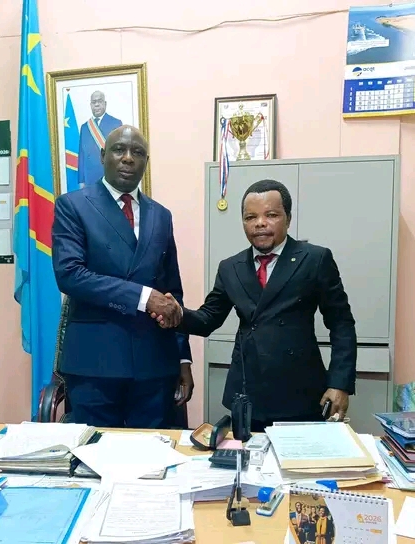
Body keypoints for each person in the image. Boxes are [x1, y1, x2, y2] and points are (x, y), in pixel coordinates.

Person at [153, 179, 357, 431]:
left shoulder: (314, 259)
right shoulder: (231, 267)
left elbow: (341, 324)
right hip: (247, 393)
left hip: (301, 392)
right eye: (251, 217)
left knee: (297, 456)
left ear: (288, 218)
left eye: (271, 215)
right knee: (246, 455)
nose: (260, 223)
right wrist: (177, 314)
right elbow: (208, 320)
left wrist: (339, 383)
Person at [52, 124, 193, 428]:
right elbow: (70, 275)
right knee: (94, 451)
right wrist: (143, 298)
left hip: (154, 363)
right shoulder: (73, 206)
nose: (128, 158)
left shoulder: (161, 215)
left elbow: (172, 291)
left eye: (137, 152)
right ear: (103, 155)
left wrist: (183, 357)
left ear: (146, 161)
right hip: (95, 363)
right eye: (119, 150)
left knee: (154, 452)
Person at [77, 90, 122, 188]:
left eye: (100, 101)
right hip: (90, 179)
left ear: (105, 104)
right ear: (90, 105)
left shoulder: (116, 123)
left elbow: (120, 153)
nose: (96, 104)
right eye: (94, 102)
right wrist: (81, 180)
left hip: (109, 176)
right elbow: (82, 155)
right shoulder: (85, 127)